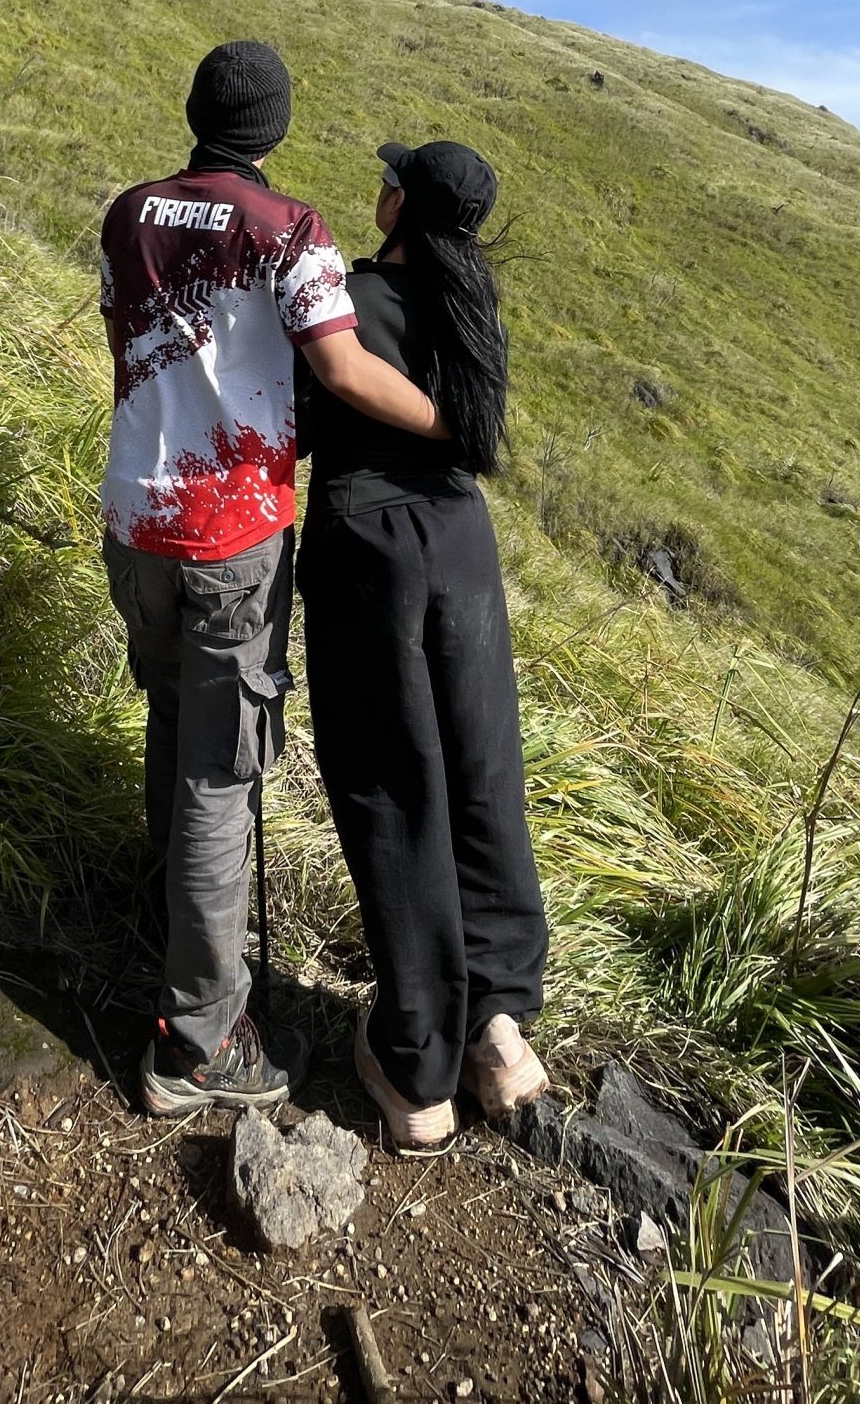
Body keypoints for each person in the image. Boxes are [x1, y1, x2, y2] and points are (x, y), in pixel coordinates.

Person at [99, 43, 444, 1118]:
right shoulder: (290, 229)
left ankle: (172, 928)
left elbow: (124, 338)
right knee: (221, 773)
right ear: (275, 128)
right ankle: (199, 1041)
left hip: (135, 515)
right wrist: (451, 424)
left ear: (195, 110)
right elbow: (341, 366)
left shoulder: (129, 214)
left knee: (172, 719)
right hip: (231, 536)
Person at [299, 140, 549, 1154]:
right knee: (483, 771)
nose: (380, 187)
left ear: (401, 206)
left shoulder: (349, 299)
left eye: (390, 180)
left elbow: (298, 417)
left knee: (391, 784)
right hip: (463, 543)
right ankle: (498, 1026)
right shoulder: (473, 306)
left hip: (371, 547)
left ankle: (416, 1067)